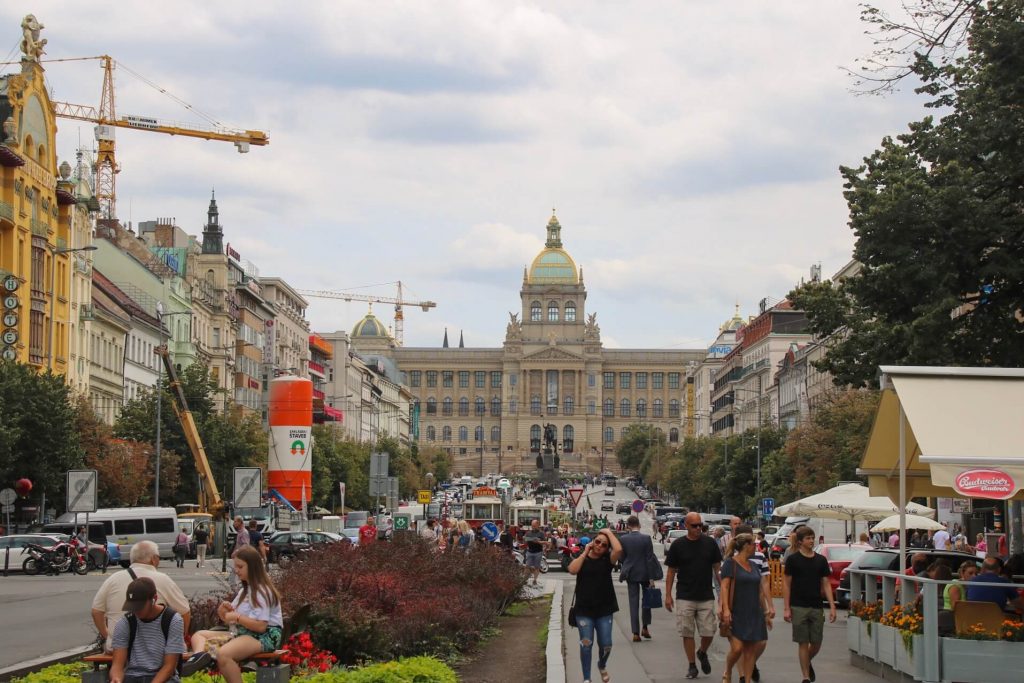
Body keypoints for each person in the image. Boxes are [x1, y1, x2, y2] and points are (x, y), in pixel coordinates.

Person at [186, 546, 284, 683]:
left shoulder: (262, 591)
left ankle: (204, 660)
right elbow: (231, 621)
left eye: (240, 566)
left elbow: (261, 626)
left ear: (253, 567)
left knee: (224, 654)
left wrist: (237, 617)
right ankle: (198, 657)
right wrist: (223, 613)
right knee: (199, 635)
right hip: (243, 633)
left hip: (264, 635)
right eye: (235, 567)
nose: (236, 571)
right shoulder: (245, 590)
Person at [91, 541, 191, 653]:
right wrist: (181, 638)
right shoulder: (162, 579)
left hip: (116, 647)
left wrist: (109, 636)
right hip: (154, 648)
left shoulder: (113, 579)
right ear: (153, 559)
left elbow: (96, 611)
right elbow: (185, 612)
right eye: (158, 557)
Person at [664, 512, 722, 680]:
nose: (698, 529)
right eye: (694, 526)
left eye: (700, 526)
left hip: (706, 595)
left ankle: (702, 652)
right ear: (686, 526)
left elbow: (717, 570)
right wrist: (668, 595)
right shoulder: (678, 545)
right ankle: (692, 665)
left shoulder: (710, 543)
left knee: (709, 632)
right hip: (685, 595)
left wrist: (723, 592)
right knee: (687, 632)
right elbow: (671, 572)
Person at [568, 528, 623, 683]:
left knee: (606, 644)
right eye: (597, 542)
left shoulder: (608, 561)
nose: (600, 546)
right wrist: (585, 552)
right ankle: (586, 678)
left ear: (607, 548)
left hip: (604, 609)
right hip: (584, 610)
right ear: (592, 542)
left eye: (604, 545)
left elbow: (618, 549)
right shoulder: (583, 559)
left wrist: (608, 532)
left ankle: (602, 664)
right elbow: (572, 570)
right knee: (586, 644)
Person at [783, 526, 836, 683]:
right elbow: (786, 584)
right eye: (808, 538)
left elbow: (826, 583)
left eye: (812, 537)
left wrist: (832, 606)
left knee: (817, 643)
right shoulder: (793, 560)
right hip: (798, 605)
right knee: (803, 642)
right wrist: (786, 608)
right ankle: (805, 676)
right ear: (800, 541)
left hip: (816, 605)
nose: (811, 540)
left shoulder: (821, 560)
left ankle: (806, 661)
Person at [108, 577, 186, 683]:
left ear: (154, 599)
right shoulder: (125, 622)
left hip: (162, 677)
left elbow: (169, 667)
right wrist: (116, 678)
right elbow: (117, 665)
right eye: (132, 606)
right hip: (132, 676)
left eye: (140, 606)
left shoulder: (172, 620)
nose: (136, 610)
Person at [721, 533, 773, 683]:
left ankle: (747, 680)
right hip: (736, 612)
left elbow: (760, 591)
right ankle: (728, 670)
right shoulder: (730, 564)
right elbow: (724, 587)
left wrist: (766, 612)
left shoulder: (754, 566)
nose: (756, 547)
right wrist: (725, 609)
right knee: (737, 648)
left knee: (750, 650)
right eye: (753, 545)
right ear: (746, 546)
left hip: (754, 612)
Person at [618, 515, 662, 642]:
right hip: (645, 573)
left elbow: (621, 558)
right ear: (639, 525)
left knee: (633, 602)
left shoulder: (623, 539)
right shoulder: (646, 538)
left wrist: (628, 563)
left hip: (631, 573)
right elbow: (650, 558)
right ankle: (645, 627)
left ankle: (635, 633)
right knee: (646, 600)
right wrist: (651, 578)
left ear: (628, 526)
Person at [523, 519, 549, 586]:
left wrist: (538, 541)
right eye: (532, 526)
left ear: (538, 525)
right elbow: (525, 540)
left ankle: (535, 580)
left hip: (538, 552)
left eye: (534, 526)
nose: (533, 527)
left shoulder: (541, 533)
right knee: (527, 566)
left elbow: (545, 542)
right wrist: (526, 539)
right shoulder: (528, 533)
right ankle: (525, 580)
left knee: (536, 567)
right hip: (530, 551)